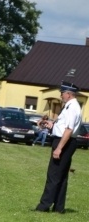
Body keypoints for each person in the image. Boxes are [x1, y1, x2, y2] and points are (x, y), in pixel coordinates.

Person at [33, 82, 83, 213]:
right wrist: (51, 125)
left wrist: (59, 148)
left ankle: (44, 206)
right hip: (65, 141)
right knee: (61, 176)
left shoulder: (72, 108)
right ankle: (59, 207)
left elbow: (69, 129)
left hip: (64, 142)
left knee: (53, 175)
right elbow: (63, 126)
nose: (60, 95)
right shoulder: (69, 107)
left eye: (62, 93)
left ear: (68, 94)